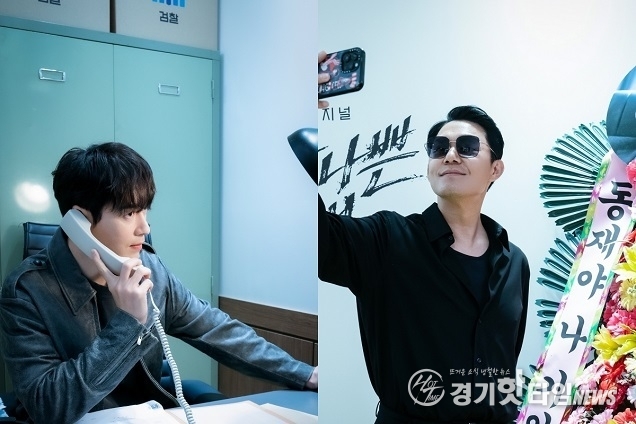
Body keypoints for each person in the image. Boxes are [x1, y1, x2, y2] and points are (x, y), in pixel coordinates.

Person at [0, 142, 318, 423]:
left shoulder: (149, 267)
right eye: (129, 213)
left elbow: (216, 329)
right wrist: (129, 322)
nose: (144, 228)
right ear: (79, 220)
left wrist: (305, 374)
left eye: (144, 211)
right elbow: (48, 406)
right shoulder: (26, 291)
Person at [317, 52, 529, 423]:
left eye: (467, 147)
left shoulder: (514, 262)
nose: (450, 155)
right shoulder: (386, 240)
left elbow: (505, 364)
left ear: (495, 169)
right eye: (439, 148)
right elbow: (317, 235)